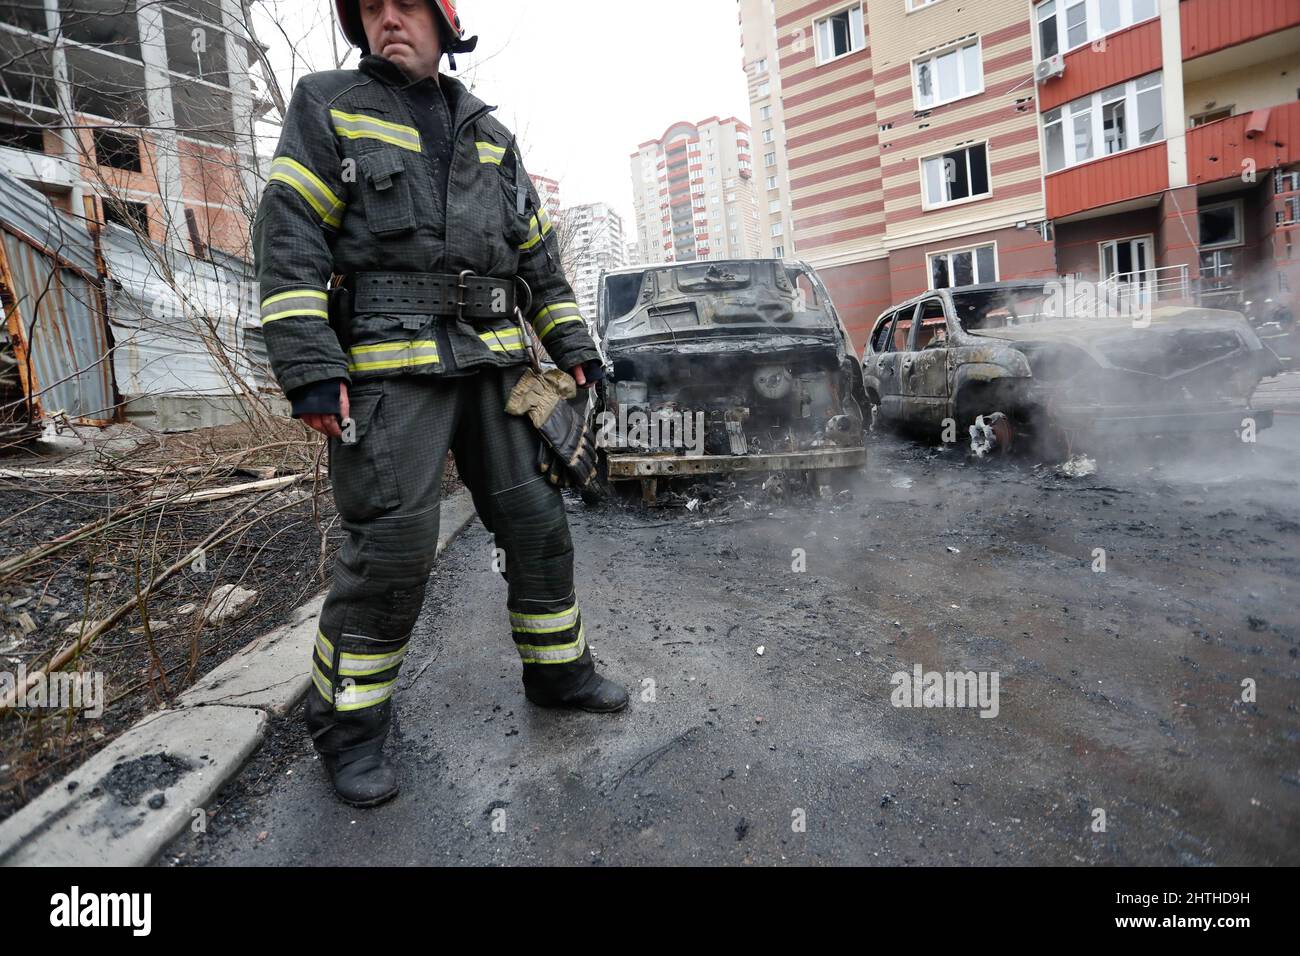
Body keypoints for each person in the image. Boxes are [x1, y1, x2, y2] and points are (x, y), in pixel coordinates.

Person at [252, 0, 627, 808]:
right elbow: (290, 238)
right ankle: (349, 730)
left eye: (406, 5)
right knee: (391, 549)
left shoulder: (491, 135)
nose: (388, 19)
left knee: (538, 524)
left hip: (496, 363)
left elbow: (539, 260)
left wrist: (574, 348)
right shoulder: (329, 104)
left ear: (445, 22)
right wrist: (310, 366)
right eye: (372, 8)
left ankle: (559, 673)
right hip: (388, 371)